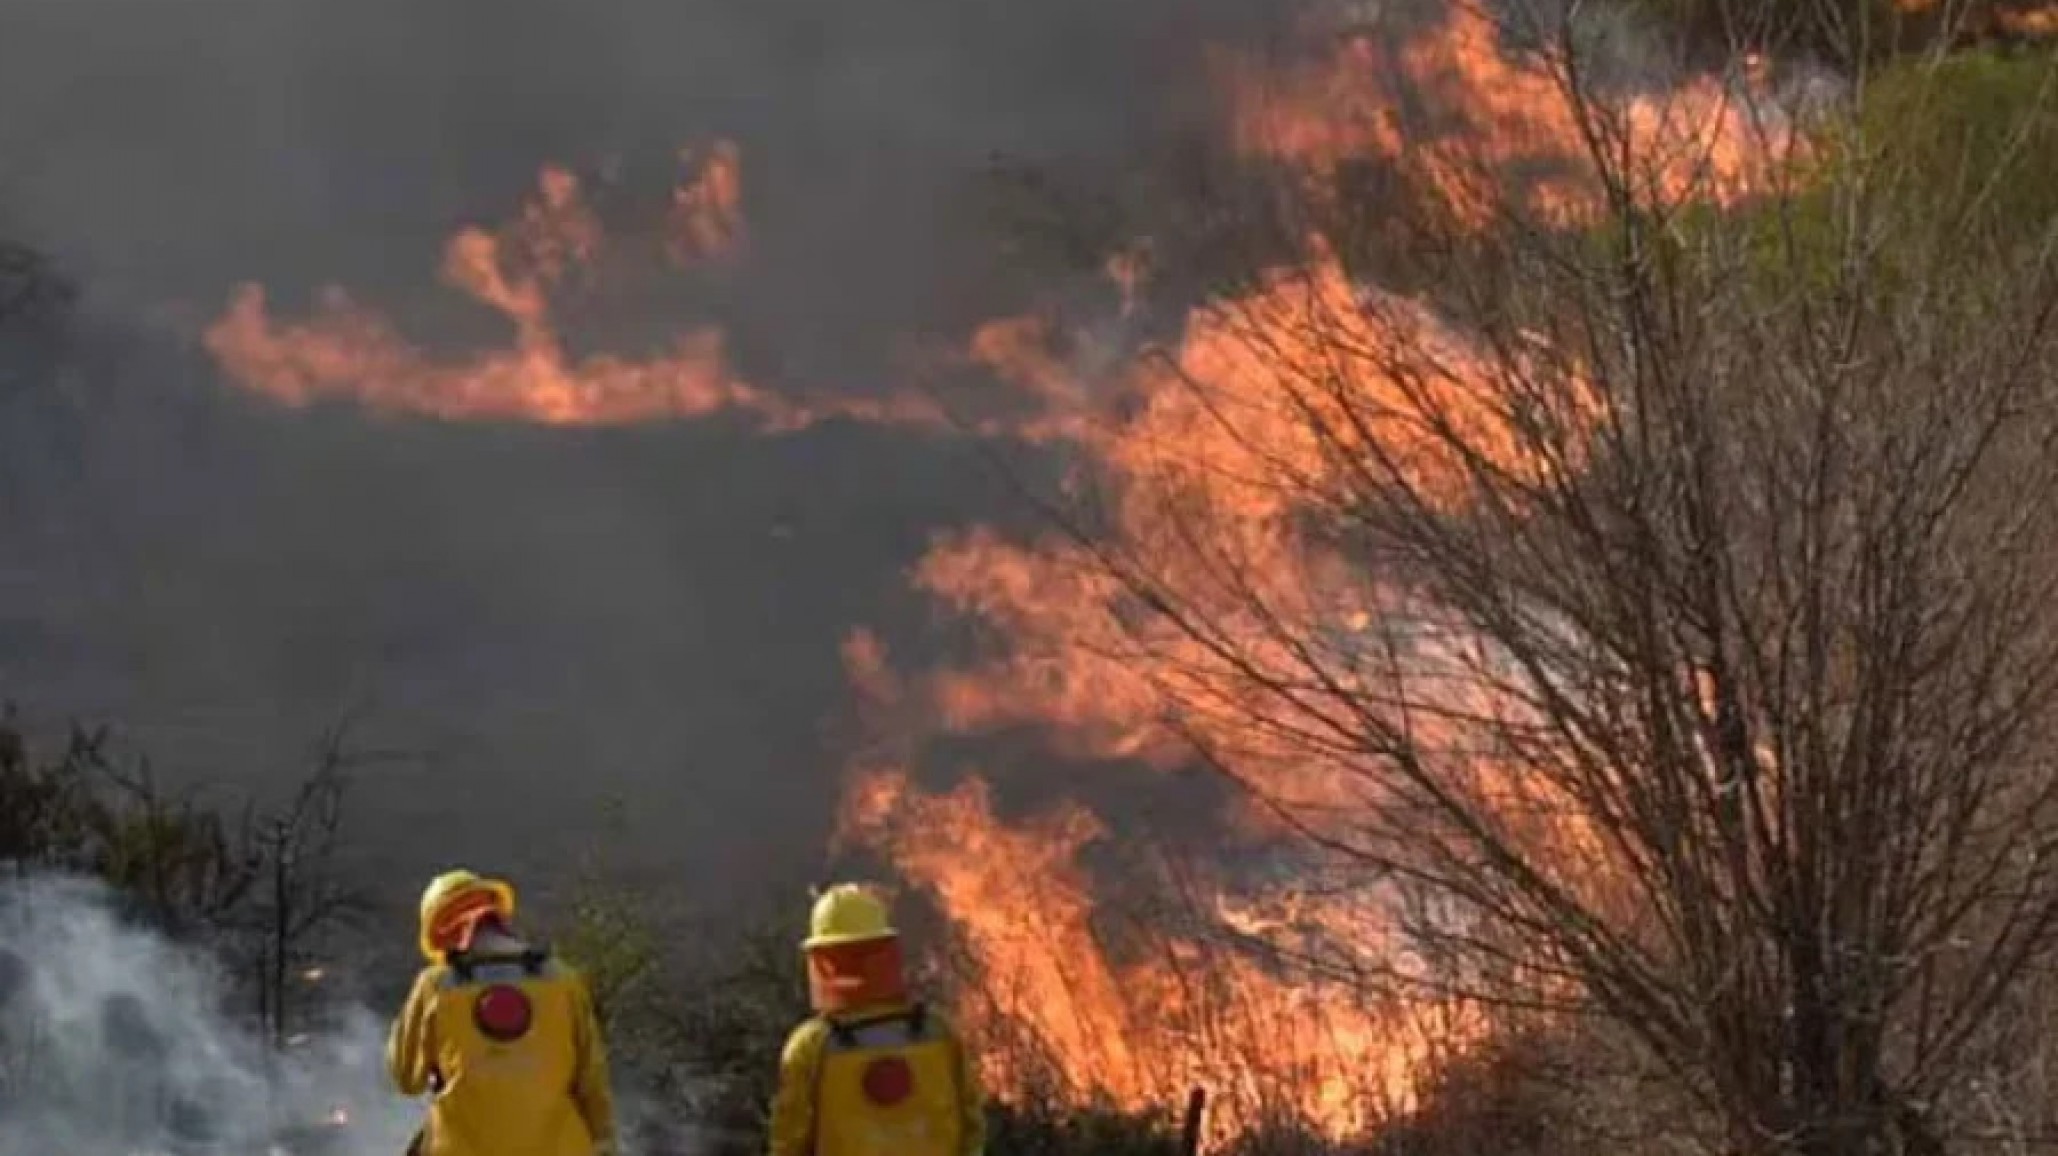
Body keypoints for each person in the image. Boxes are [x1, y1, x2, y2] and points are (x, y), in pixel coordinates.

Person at [386, 869, 616, 1156]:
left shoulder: (436, 986)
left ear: (443, 933)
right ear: (498, 917)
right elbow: (591, 1080)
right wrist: (605, 1143)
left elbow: (407, 1079)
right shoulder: (562, 980)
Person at [767, 883, 985, 1156]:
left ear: (820, 961)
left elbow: (789, 1141)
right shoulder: (938, 1031)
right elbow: (972, 1127)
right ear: (887, 952)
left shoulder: (811, 1045)